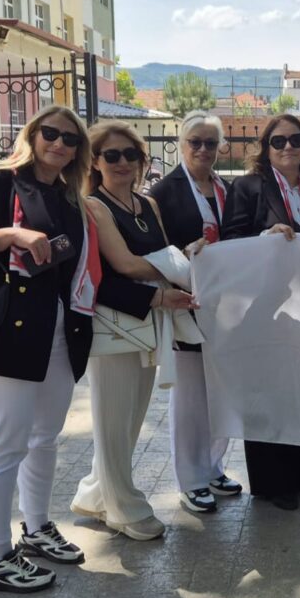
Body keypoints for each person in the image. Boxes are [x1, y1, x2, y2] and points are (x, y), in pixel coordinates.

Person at [0, 106, 104, 592]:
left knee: (45, 437)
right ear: (31, 135)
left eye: (70, 139)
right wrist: (7, 235)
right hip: (1, 334)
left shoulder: (70, 196)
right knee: (4, 444)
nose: (59, 143)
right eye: (50, 133)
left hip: (56, 331)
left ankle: (36, 527)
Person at [69, 121, 196, 541]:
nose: (123, 162)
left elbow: (158, 258)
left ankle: (95, 494)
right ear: (95, 161)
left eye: (131, 155)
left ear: (143, 160)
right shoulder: (94, 206)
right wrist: (173, 268)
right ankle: (123, 507)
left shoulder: (147, 205)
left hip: (147, 323)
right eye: (112, 155)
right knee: (112, 420)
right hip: (114, 324)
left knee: (130, 420)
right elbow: (123, 265)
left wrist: (180, 261)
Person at [221, 114, 300, 511]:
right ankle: (271, 482)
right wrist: (263, 239)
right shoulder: (248, 187)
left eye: (296, 140)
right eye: (279, 141)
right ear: (266, 148)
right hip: (263, 307)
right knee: (266, 392)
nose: (288, 148)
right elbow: (230, 239)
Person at [149, 111, 243, 513]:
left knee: (220, 391)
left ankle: (213, 465)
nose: (203, 150)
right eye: (195, 142)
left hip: (226, 306)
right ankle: (190, 477)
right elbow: (154, 248)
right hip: (184, 302)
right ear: (181, 143)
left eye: (210, 143)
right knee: (190, 397)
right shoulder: (162, 192)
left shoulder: (226, 187)